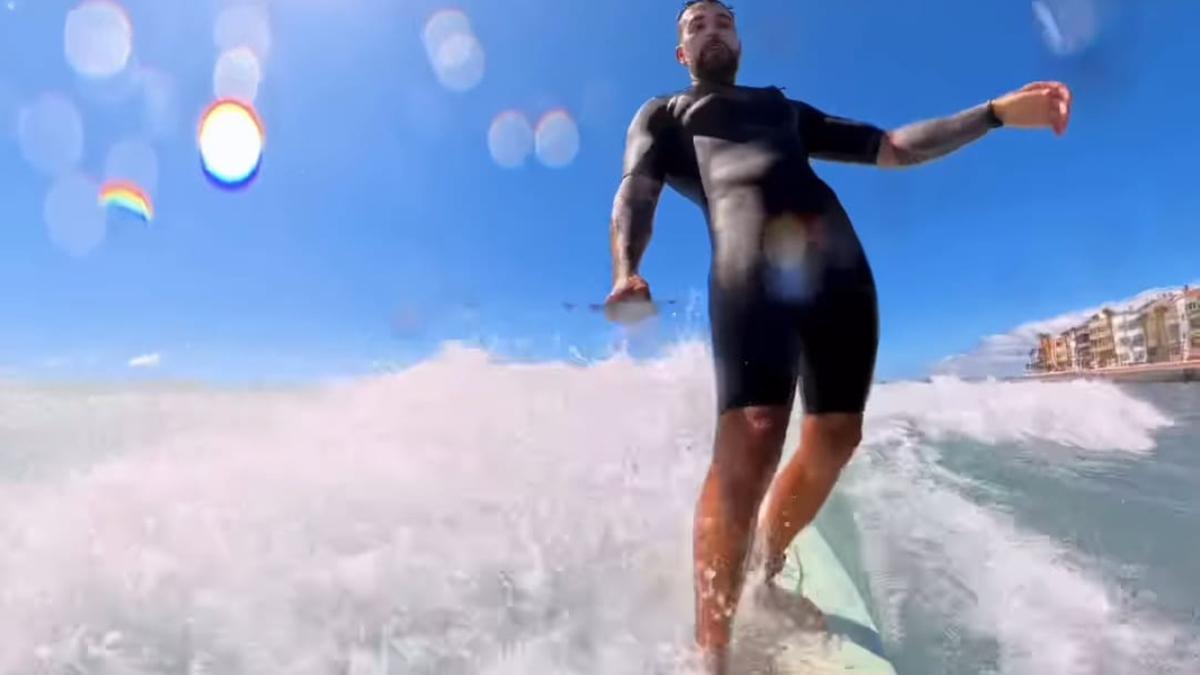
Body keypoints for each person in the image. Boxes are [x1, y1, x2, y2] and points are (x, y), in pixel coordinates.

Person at [600, 1, 1073, 671]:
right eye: (696, 24)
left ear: (739, 38)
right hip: (749, 263)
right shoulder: (664, 113)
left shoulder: (783, 108)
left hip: (840, 269)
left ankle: (765, 565)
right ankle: (711, 653)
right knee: (757, 429)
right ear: (681, 52)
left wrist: (993, 113)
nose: (712, 29)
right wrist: (627, 269)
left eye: (723, 20)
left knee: (836, 437)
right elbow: (635, 188)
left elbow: (894, 147)